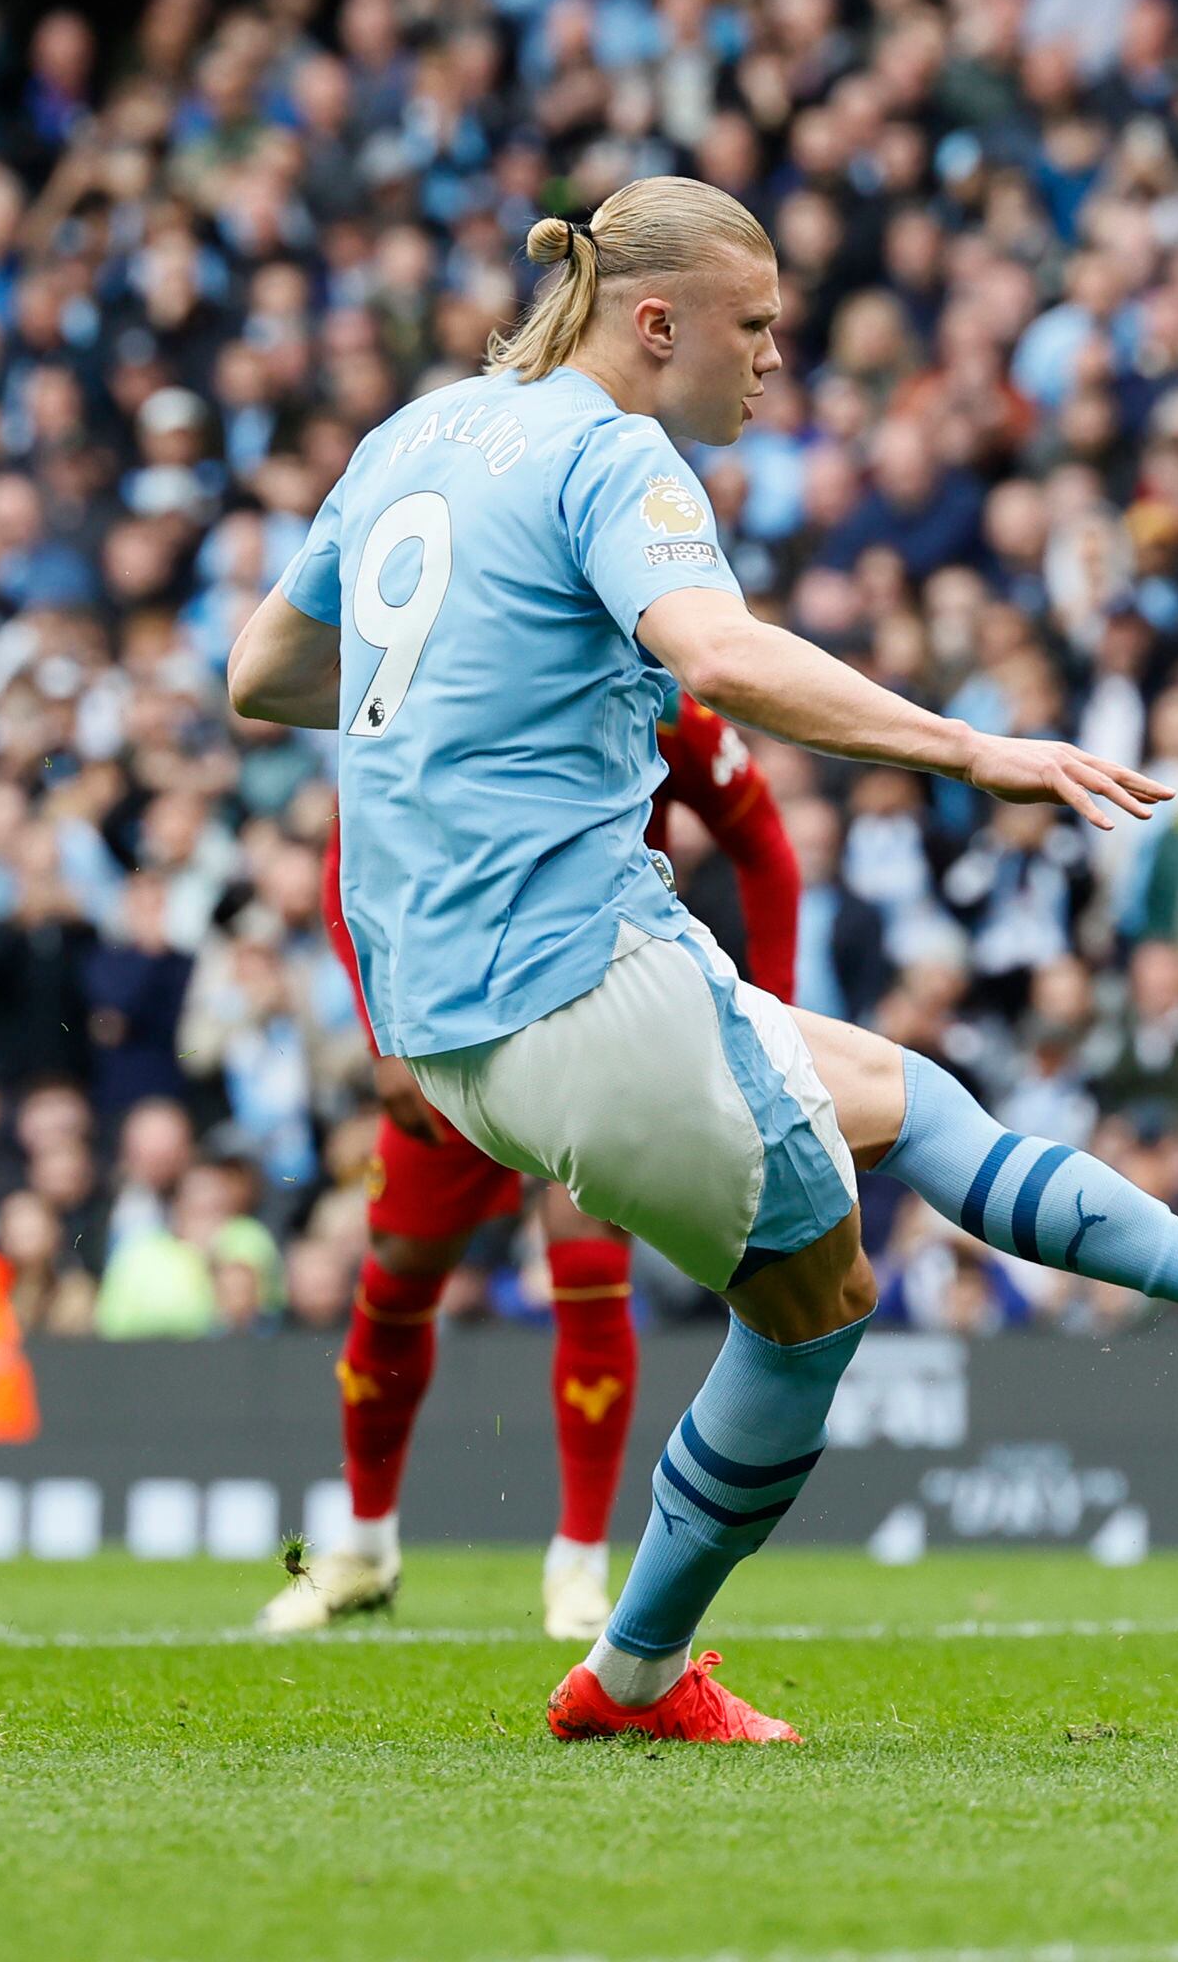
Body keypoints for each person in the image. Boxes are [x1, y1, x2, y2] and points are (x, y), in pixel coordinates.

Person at [226, 179, 1178, 1746]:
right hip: (575, 979)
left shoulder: (414, 435)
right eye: (754, 327)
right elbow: (723, 656)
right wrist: (971, 748)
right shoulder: (616, 453)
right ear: (654, 322)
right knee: (818, 1311)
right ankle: (631, 1678)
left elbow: (264, 673)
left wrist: (446, 712)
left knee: (916, 1105)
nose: (772, 360)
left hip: (445, 1020)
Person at [260, 689, 800, 1643]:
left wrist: (778, 1013)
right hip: (447, 1024)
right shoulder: (439, 679)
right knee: (396, 1278)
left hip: (598, 1010)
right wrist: (382, 1034)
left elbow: (767, 849)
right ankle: (365, 1549)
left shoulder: (657, 700)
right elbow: (353, 859)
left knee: (585, 1257)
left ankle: (579, 1567)